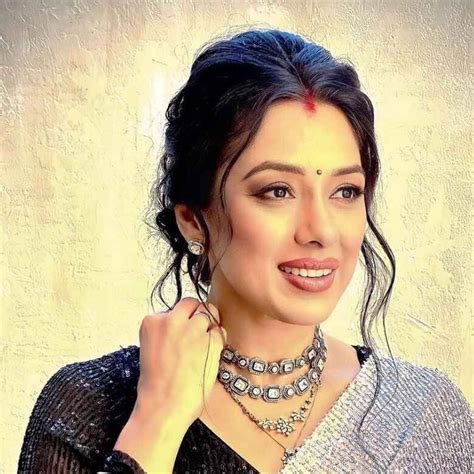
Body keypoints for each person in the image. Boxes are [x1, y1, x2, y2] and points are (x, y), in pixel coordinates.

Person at [18, 28, 472, 474]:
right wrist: (155, 424)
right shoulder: (89, 407)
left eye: (346, 191)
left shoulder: (420, 417)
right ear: (192, 218)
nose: (321, 231)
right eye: (277, 191)